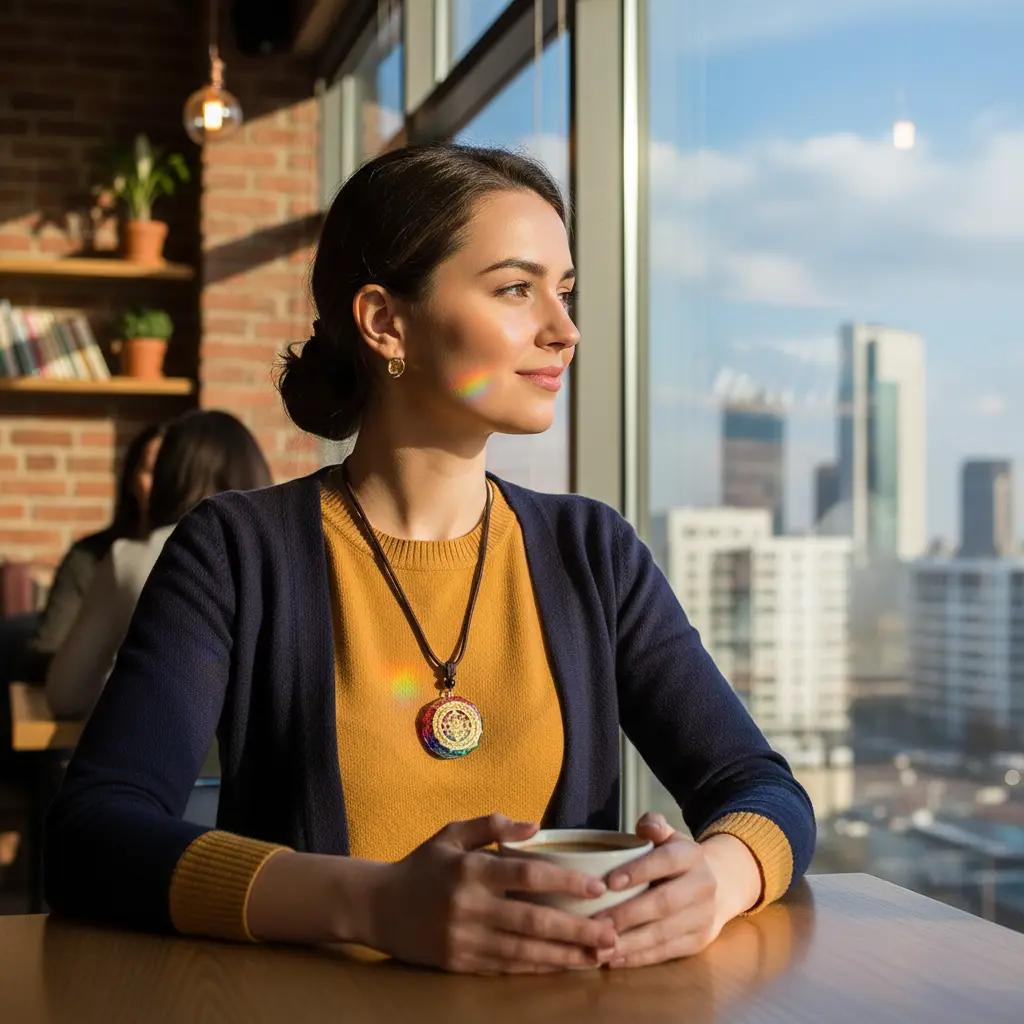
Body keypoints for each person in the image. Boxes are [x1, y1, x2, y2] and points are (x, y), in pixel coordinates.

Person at [44, 144, 815, 975]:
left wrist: (716, 879)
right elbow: (92, 834)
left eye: (565, 292)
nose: (564, 330)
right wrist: (376, 905)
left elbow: (761, 790)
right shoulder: (237, 550)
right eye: (517, 289)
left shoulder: (594, 553)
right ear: (385, 322)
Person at [45, 410, 272, 720]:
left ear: (172, 472)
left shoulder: (129, 559)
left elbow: (65, 695)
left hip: (160, 763)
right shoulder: (296, 556)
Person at [16, 423, 165, 684]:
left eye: (172, 473)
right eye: (152, 471)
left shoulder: (207, 562)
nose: (164, 485)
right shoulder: (91, 558)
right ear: (131, 481)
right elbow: (45, 651)